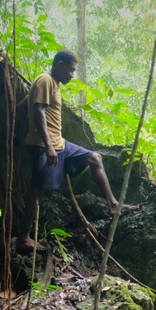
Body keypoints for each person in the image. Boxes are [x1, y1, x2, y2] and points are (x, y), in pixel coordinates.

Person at [23, 49, 132, 249]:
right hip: (43, 145)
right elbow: (38, 112)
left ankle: (113, 205)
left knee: (95, 158)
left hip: (60, 143)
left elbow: (29, 105)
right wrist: (48, 146)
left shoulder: (53, 84)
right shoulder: (45, 80)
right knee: (36, 190)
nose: (72, 75)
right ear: (59, 65)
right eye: (71, 70)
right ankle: (24, 238)